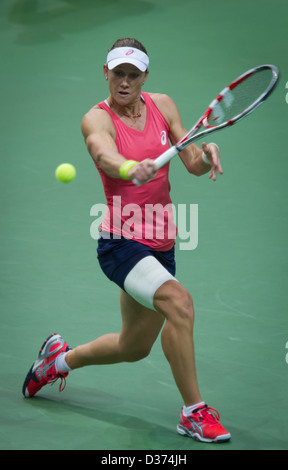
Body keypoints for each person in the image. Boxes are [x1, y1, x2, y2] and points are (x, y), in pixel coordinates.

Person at [22, 38, 230, 444]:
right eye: (118, 72)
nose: (125, 81)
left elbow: (191, 162)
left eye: (133, 74)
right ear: (106, 72)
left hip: (163, 245)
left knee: (133, 347)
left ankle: (58, 360)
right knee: (179, 303)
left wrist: (208, 153)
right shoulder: (96, 119)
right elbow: (102, 154)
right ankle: (194, 413)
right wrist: (131, 166)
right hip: (121, 243)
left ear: (145, 77)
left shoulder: (163, 105)